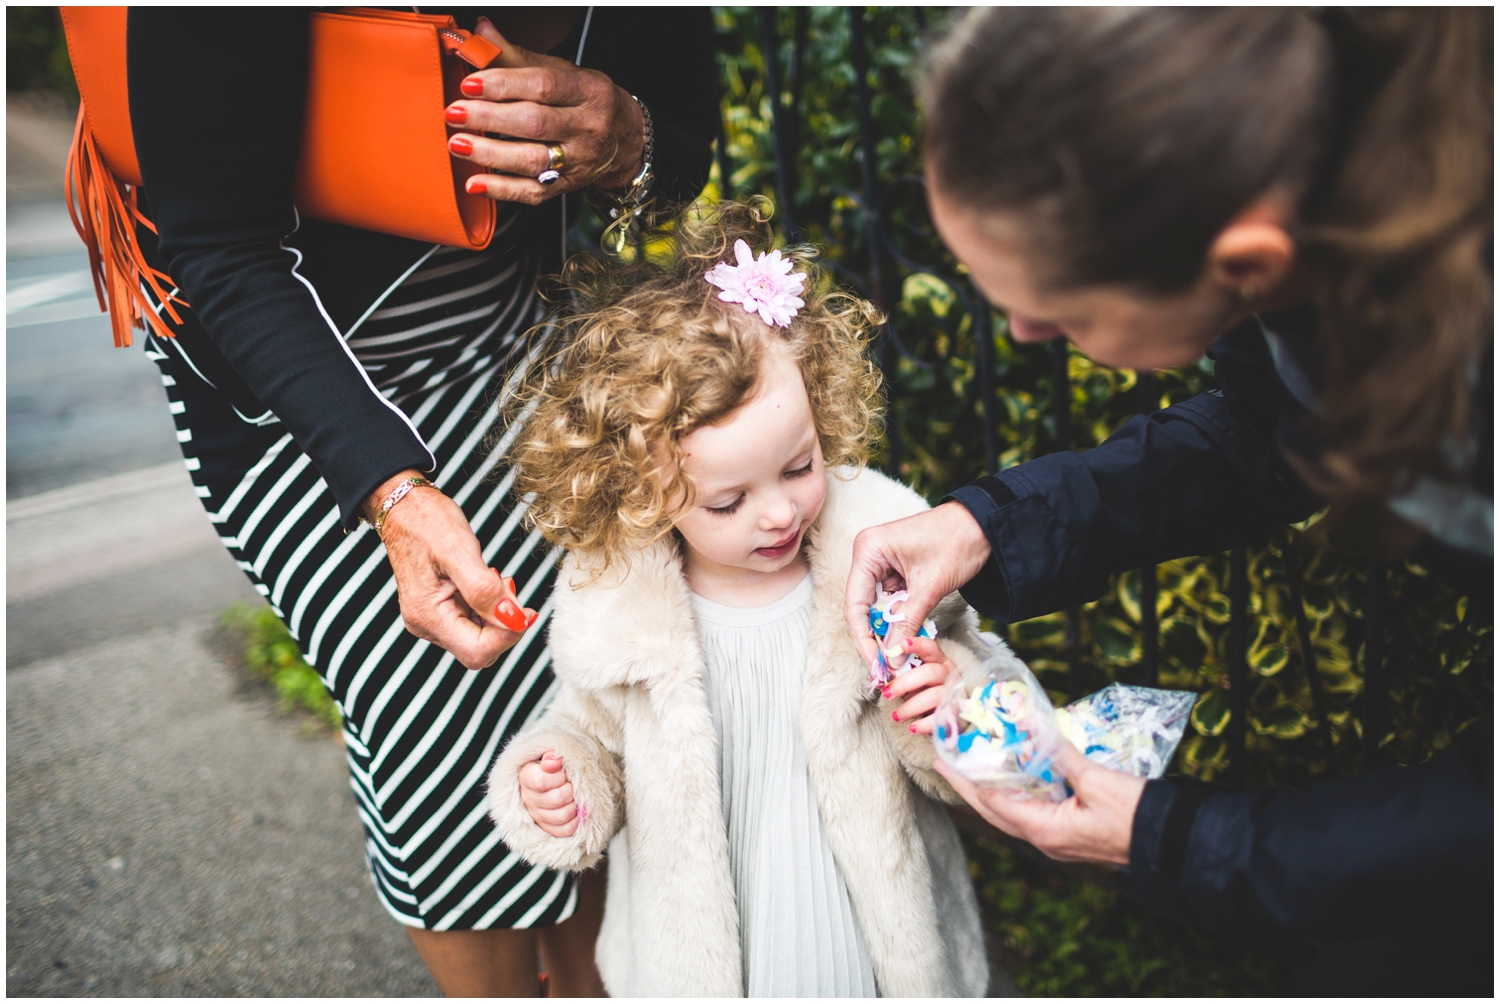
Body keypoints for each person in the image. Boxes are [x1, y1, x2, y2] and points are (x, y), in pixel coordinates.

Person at [843, 7, 1492, 994]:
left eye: (1060, 308)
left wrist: (1165, 835)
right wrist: (988, 522)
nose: (1018, 330)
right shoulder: (1296, 204)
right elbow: (1269, 432)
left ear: (1247, 265)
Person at [125, 8, 716, 995]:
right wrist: (392, 490)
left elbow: (683, 134)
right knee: (447, 752)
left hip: (530, 316)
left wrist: (630, 139)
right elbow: (220, 247)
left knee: (600, 715)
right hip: (300, 386)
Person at [484, 204, 995, 997]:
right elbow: (586, 732)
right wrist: (564, 781)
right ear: (645, 491)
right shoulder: (622, 611)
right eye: (728, 503)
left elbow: (988, 692)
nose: (781, 512)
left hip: (866, 937)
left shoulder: (887, 556)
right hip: (710, 952)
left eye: (799, 466)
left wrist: (955, 703)